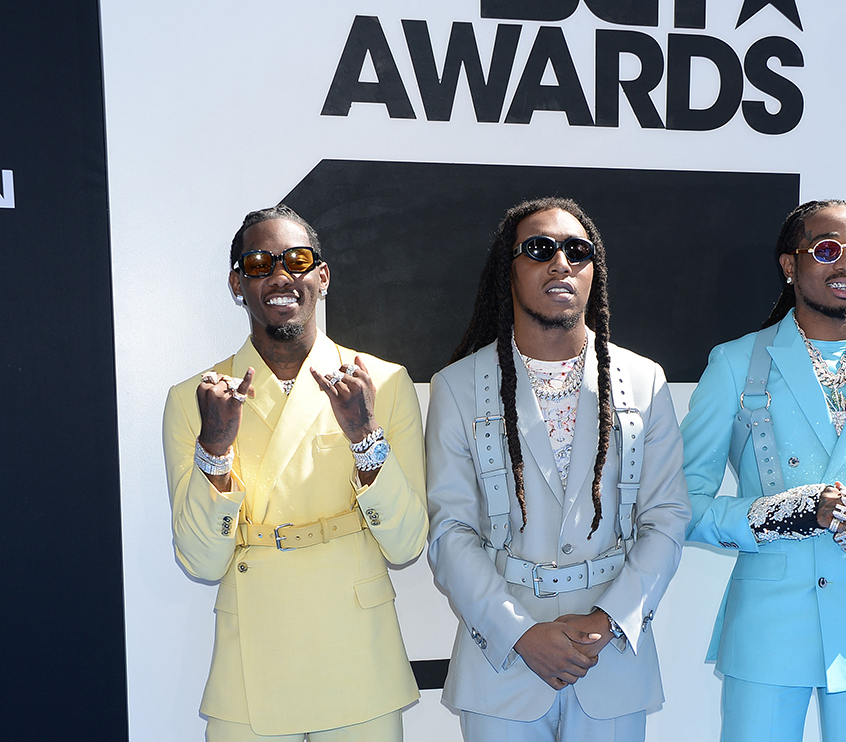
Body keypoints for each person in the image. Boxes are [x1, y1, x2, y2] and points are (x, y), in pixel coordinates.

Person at [425, 197, 690, 741]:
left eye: (577, 250)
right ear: (509, 269)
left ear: (594, 271)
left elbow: (666, 517)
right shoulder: (456, 386)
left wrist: (608, 620)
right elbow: (451, 532)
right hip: (501, 662)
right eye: (540, 249)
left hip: (611, 660)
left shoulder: (644, 381)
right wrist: (520, 634)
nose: (561, 263)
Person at [681, 199, 846, 742]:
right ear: (790, 265)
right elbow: (682, 503)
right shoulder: (735, 363)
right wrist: (789, 511)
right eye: (827, 249)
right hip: (767, 633)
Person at [163, 205, 427, 742]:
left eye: (297, 260)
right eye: (260, 263)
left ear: (321, 277)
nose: (281, 275)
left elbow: (407, 543)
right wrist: (215, 445)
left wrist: (365, 439)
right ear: (238, 283)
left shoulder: (384, 383)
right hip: (250, 667)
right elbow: (200, 559)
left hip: (359, 660)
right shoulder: (195, 399)